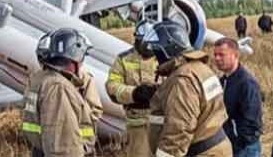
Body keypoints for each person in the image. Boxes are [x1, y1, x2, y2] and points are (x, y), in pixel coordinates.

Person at [143, 20, 232, 157]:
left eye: (157, 51)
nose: (156, 58)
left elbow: (179, 131)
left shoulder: (182, 80)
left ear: (168, 49)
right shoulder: (200, 68)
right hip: (217, 148)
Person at [21, 28, 98, 157]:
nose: (82, 63)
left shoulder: (39, 79)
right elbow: (63, 147)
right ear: (74, 59)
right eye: (82, 58)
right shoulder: (58, 88)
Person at [105, 21, 159, 157]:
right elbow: (112, 86)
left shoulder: (164, 57)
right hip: (136, 125)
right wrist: (134, 94)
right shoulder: (123, 59)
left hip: (161, 124)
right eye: (144, 42)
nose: (148, 47)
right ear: (136, 39)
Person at [213, 38, 263, 157]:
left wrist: (238, 141)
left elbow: (252, 122)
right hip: (229, 145)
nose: (217, 58)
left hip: (245, 149)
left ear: (235, 55)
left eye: (221, 55)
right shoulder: (222, 81)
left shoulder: (247, 83)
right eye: (215, 55)